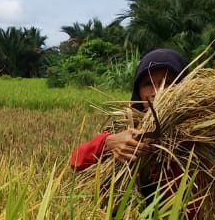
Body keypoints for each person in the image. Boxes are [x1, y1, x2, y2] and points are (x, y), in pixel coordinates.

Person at [70, 48, 191, 209]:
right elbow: (76, 161)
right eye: (148, 84)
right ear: (138, 92)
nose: (157, 92)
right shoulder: (128, 131)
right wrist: (108, 143)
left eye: (167, 82)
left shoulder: (204, 133)